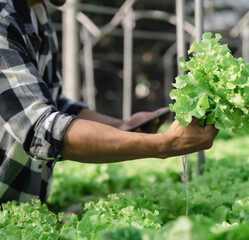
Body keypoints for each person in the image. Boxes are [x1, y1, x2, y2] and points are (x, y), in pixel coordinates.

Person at [0, 0, 218, 204]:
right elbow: (41, 128)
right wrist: (164, 145)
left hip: (21, 203)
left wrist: (122, 126)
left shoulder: (38, 17)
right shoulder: (3, 18)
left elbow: (53, 102)